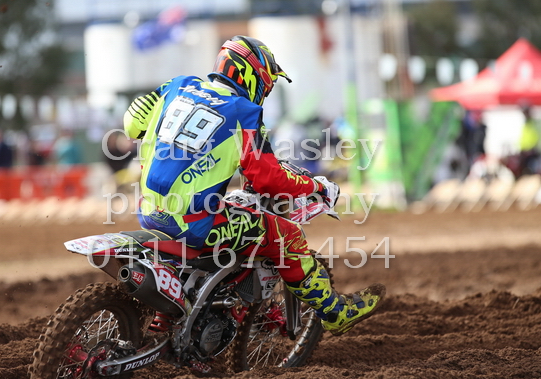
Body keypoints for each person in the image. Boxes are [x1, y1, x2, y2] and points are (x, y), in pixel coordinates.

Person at [123, 35, 385, 336]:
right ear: (252, 76)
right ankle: (335, 312)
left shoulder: (177, 86)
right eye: (266, 85)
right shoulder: (242, 111)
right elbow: (268, 178)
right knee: (285, 235)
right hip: (193, 224)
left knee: (231, 208)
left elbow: (132, 125)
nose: (265, 92)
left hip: (149, 212)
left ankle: (181, 312)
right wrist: (315, 187)